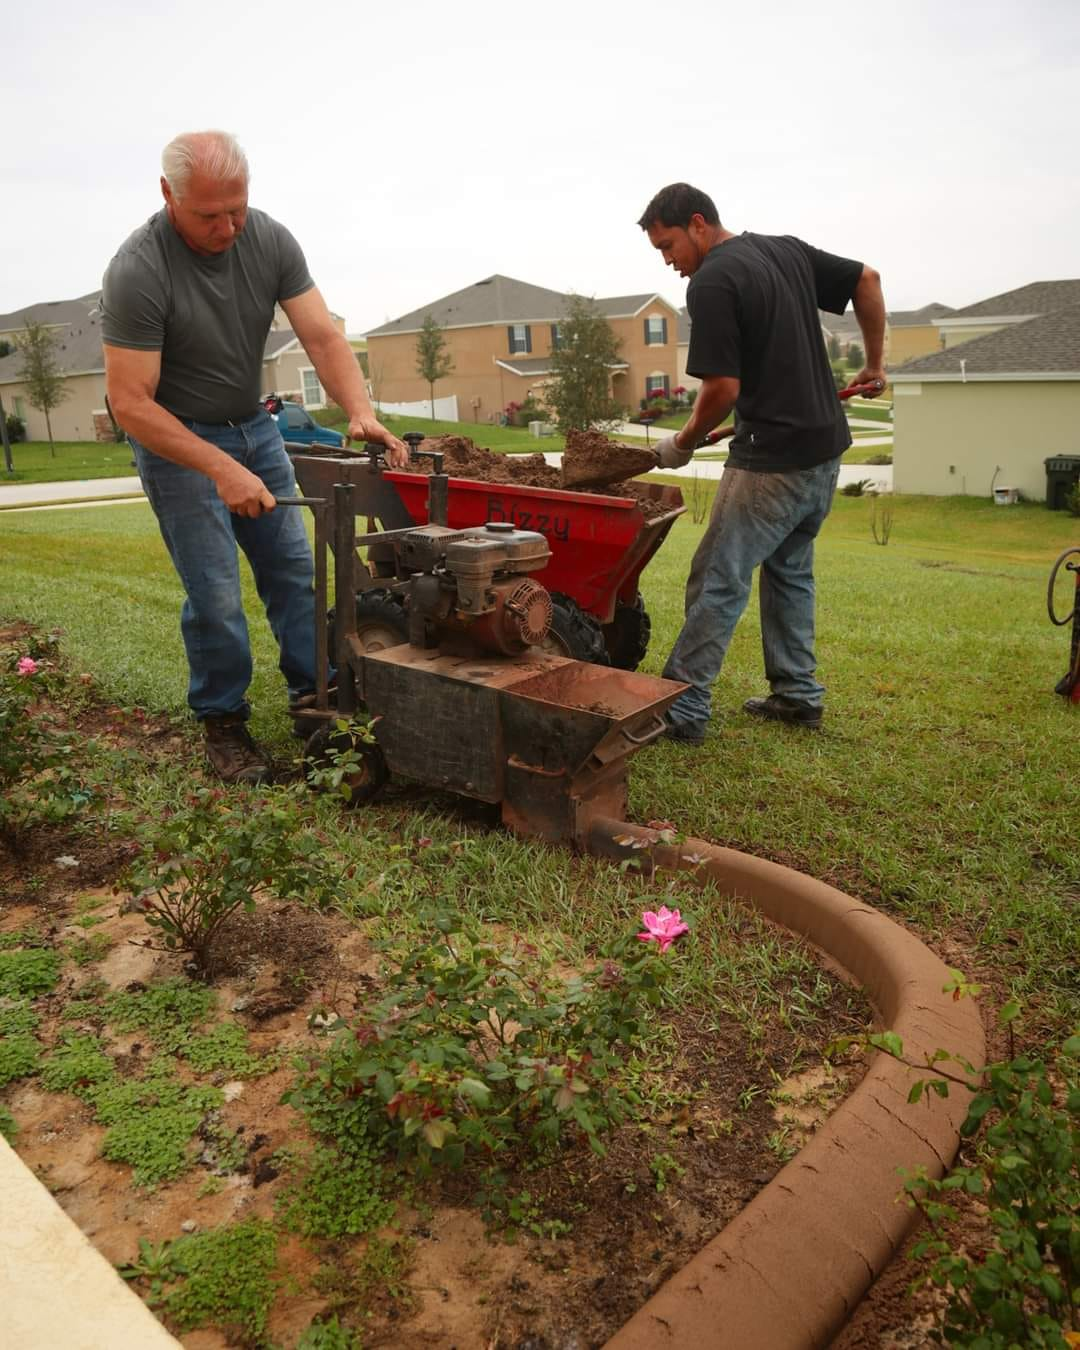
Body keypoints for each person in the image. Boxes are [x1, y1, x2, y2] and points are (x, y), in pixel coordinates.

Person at [102, 130, 407, 784]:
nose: (228, 226)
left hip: (254, 428)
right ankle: (222, 721)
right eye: (209, 215)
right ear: (168, 196)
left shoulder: (267, 239)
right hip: (176, 438)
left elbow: (321, 335)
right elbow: (130, 403)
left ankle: (316, 698)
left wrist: (359, 410)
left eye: (236, 208)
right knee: (214, 590)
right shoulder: (138, 270)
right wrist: (216, 465)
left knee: (294, 570)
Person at [637, 182, 886, 742]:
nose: (671, 262)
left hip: (770, 463)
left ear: (698, 223)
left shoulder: (714, 281)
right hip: (823, 451)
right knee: (789, 571)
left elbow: (723, 387)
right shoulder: (785, 250)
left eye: (669, 246)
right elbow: (866, 279)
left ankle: (682, 710)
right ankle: (798, 695)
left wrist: (684, 440)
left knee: (716, 578)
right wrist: (874, 363)